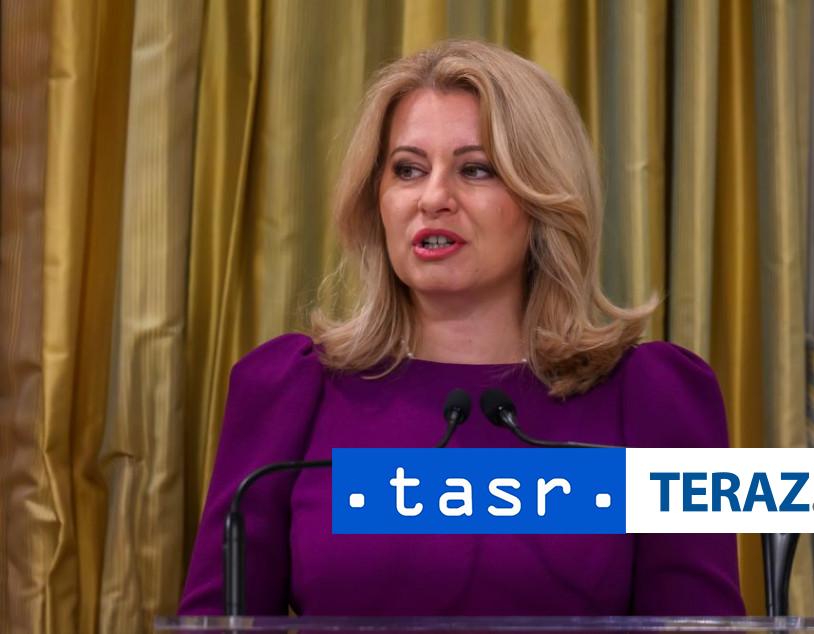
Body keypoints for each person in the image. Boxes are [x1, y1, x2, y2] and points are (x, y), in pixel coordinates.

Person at [179, 39, 745, 617]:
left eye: (475, 170)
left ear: (543, 199)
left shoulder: (652, 398)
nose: (433, 199)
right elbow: (218, 620)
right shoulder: (289, 391)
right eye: (408, 170)